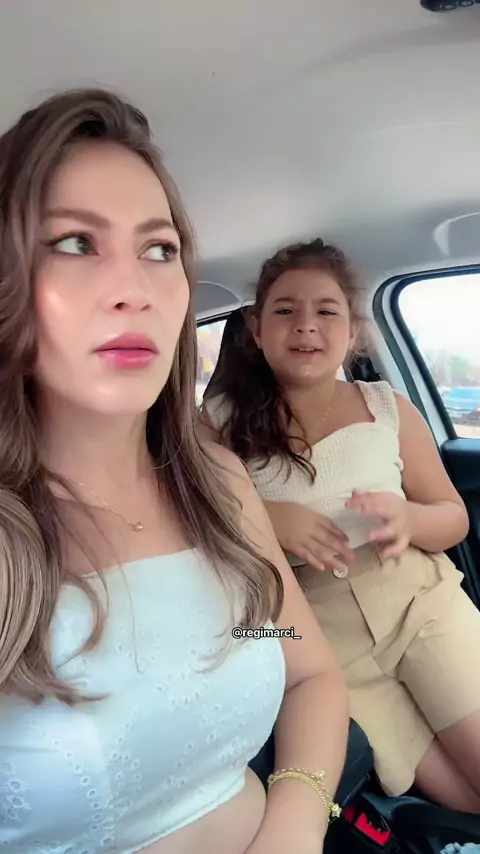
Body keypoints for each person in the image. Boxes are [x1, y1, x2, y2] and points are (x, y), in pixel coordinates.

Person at [0, 93, 349, 854]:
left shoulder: (217, 483)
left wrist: (296, 825)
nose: (136, 289)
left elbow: (306, 669)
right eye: (75, 243)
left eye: (159, 250)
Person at [200, 237, 480, 814]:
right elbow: (188, 524)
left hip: (418, 605)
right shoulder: (218, 421)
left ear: (352, 332)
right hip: (318, 639)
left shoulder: (387, 408)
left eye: (326, 311)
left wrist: (410, 518)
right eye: (285, 309)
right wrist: (266, 519)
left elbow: (452, 518)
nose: (306, 324)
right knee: (460, 802)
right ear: (256, 330)